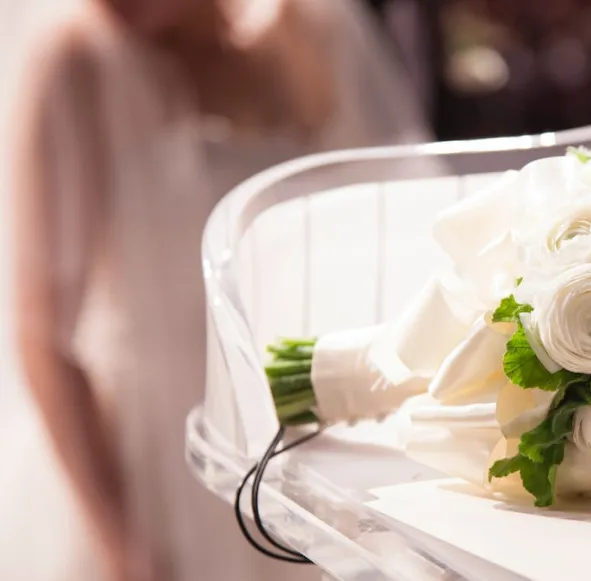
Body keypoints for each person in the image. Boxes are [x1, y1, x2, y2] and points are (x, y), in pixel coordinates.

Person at [8, 0, 429, 580]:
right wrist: (123, 549)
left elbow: (398, 233)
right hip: (154, 471)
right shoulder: (74, 62)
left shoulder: (319, 27)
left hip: (311, 443)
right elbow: (43, 335)